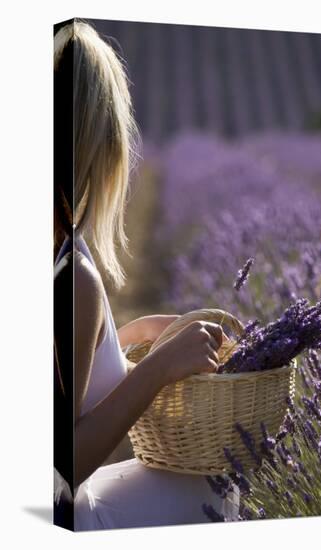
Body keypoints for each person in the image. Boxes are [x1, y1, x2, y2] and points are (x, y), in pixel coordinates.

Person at [53, 20, 239, 530]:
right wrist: (157, 371)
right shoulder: (74, 276)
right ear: (101, 137)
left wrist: (131, 336)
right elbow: (55, 469)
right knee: (216, 491)